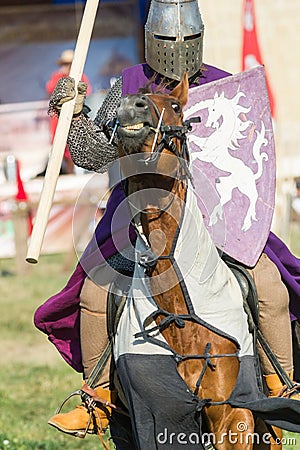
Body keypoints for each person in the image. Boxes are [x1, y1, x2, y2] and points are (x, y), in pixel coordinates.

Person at [34, 0, 300, 444]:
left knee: (270, 284)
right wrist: (76, 115)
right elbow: (92, 156)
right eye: (166, 41)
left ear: (199, 39)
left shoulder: (224, 86)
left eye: (186, 41)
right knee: (96, 294)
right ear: (149, 40)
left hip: (215, 220)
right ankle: (98, 399)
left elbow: (247, 160)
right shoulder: (128, 86)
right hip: (138, 218)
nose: (177, 49)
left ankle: (281, 384)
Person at [45, 49, 92, 174]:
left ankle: (74, 171)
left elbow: (87, 91)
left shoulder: (79, 76)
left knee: (74, 144)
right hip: (58, 118)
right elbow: (50, 89)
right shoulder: (57, 77)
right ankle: (66, 171)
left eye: (67, 64)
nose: (65, 67)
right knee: (58, 144)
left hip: (74, 117)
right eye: (63, 64)